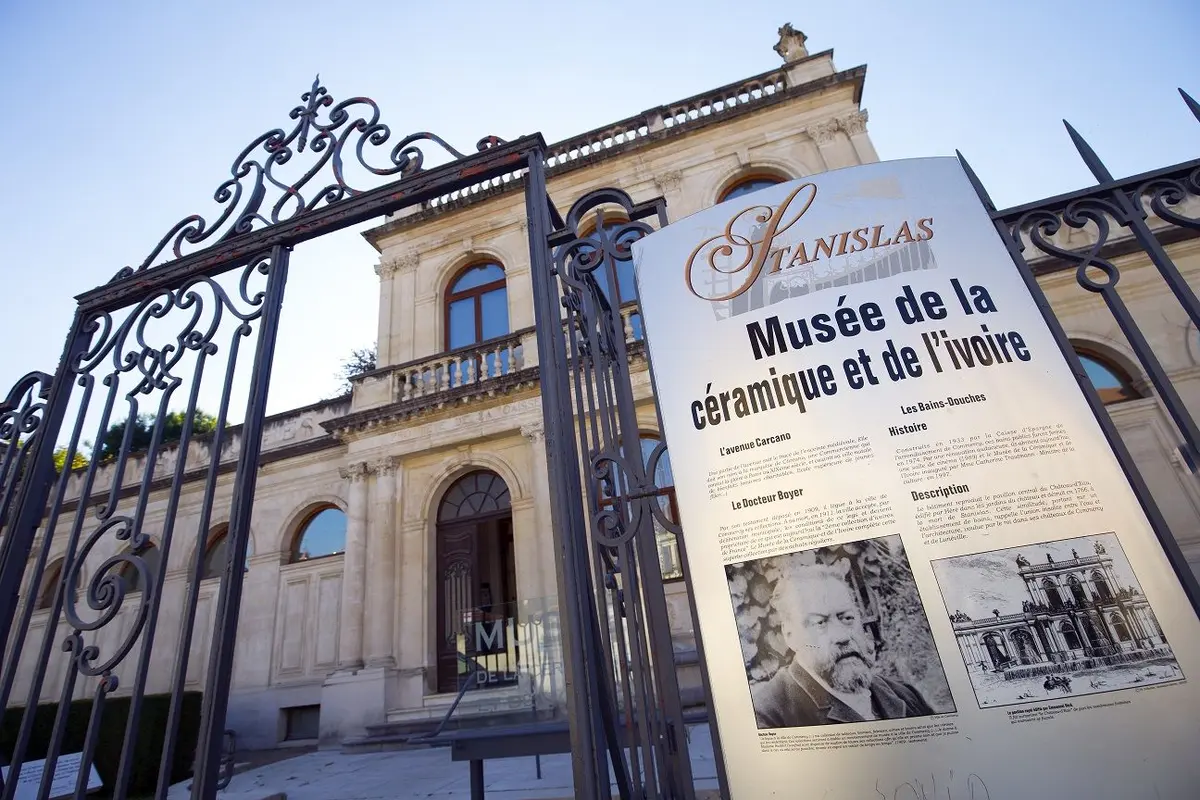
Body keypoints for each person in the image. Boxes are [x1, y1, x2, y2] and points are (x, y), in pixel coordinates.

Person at [752, 563, 934, 728]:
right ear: (790, 635)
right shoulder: (767, 717)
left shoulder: (904, 695)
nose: (842, 636)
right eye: (819, 623)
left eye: (847, 618)